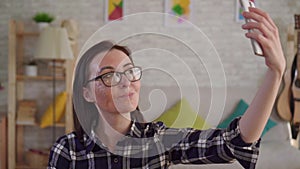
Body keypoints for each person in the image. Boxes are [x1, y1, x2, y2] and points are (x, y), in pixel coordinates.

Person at [47, 7, 285, 169]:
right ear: (86, 93)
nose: (125, 80)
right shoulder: (68, 150)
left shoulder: (158, 141)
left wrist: (275, 73)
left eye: (129, 70)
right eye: (109, 75)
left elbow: (236, 141)